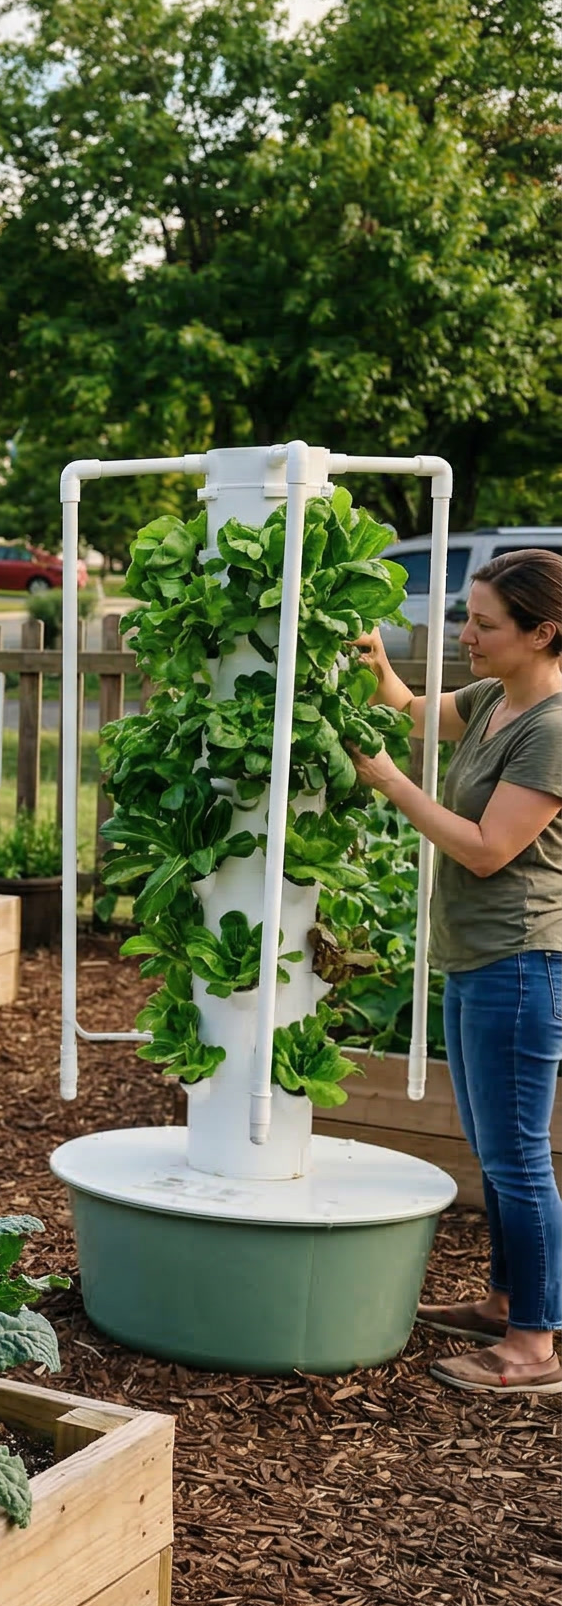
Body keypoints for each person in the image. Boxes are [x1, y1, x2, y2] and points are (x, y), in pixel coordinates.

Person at [353, 548, 562, 1395]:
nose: (464, 635)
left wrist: (393, 785)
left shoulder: (551, 730)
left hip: (522, 961)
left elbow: (486, 850)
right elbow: (408, 708)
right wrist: (373, 662)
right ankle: (508, 1302)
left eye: (484, 624)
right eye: (466, 617)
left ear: (544, 632)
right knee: (493, 1147)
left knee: (518, 1159)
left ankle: (534, 1346)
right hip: (479, 958)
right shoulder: (494, 703)